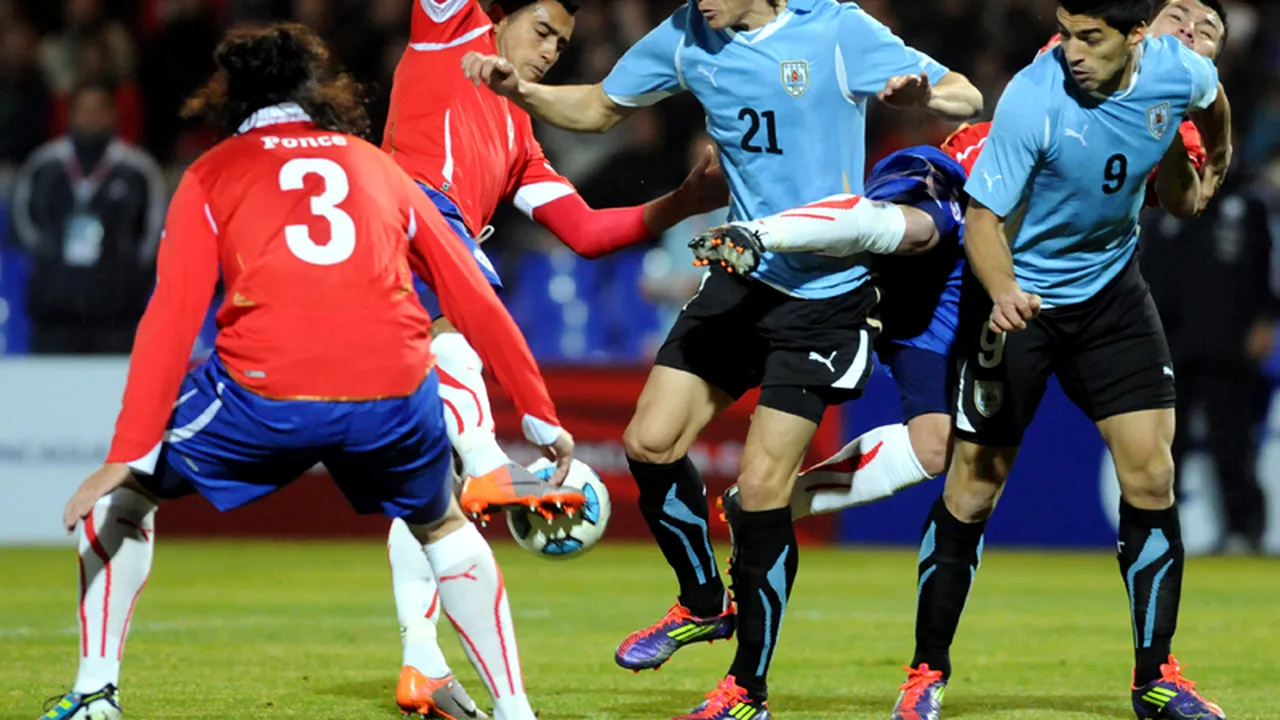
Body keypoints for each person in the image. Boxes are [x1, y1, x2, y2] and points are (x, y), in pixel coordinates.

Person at [462, 0, 983, 716]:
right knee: (649, 442)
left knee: (765, 487)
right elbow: (600, 106)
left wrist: (925, 93)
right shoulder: (685, 34)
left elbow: (966, 94)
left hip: (825, 297)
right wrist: (521, 92)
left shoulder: (832, 29)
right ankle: (705, 600)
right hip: (740, 275)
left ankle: (747, 690)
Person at [40, 24, 569, 720]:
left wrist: (126, 456)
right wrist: (539, 413)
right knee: (442, 523)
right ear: (320, 94)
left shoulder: (213, 171)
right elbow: (471, 294)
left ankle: (94, 696)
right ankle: (516, 710)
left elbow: (170, 321)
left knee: (123, 499)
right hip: (393, 392)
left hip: (267, 393)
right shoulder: (378, 166)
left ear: (231, 95)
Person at [701, 0, 1230, 535]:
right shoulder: (1081, 56)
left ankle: (771, 504)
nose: (1189, 31)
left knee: (935, 448)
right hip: (956, 188)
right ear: (1138, 33)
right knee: (919, 227)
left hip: (976, 279)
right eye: (1178, 17)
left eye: (1206, 32)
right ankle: (765, 235)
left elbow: (1187, 186)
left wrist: (1210, 151)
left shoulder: (1174, 127)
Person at [381, 0, 725, 712]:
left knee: (424, 486)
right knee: (456, 328)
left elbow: (588, 231)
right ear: (499, 17)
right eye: (541, 32)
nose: (549, 53)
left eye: (562, 45)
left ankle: (420, 658)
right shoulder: (449, 29)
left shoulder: (518, 134)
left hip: (430, 262)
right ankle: (487, 464)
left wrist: (687, 199)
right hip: (402, 232)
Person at [893, 0, 1231, 717]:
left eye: (1090, 38)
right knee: (973, 489)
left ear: (1136, 36)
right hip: (1022, 300)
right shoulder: (1034, 96)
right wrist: (1004, 289)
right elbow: (983, 219)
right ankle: (926, 670)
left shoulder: (1179, 71)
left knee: (1152, 471)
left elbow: (1213, 105)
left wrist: (1215, 167)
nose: (1070, 51)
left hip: (1112, 297)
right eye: (1067, 33)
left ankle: (1156, 678)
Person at [12, 81, 166, 354]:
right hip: (54, 311)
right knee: (50, 392)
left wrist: (126, 275)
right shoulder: (44, 165)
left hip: (117, 314)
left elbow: (153, 234)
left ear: (112, 115)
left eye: (98, 110)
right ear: (69, 115)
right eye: (84, 110)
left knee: (114, 394)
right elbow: (25, 223)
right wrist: (51, 264)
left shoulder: (137, 169)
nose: (91, 117)